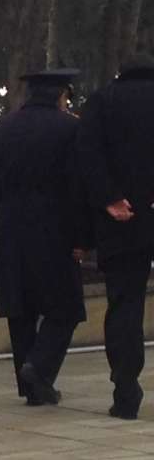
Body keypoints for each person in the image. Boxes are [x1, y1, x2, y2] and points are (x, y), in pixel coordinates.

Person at [0, 69, 87, 406]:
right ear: (62, 95)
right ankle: (39, 367)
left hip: (13, 228)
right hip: (57, 229)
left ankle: (33, 388)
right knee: (65, 308)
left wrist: (8, 213)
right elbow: (78, 186)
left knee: (21, 309)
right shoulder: (71, 128)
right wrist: (82, 236)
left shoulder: (4, 128)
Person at [77, 53, 154, 420]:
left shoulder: (102, 101)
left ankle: (126, 392)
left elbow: (87, 156)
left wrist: (110, 199)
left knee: (124, 304)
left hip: (122, 220)